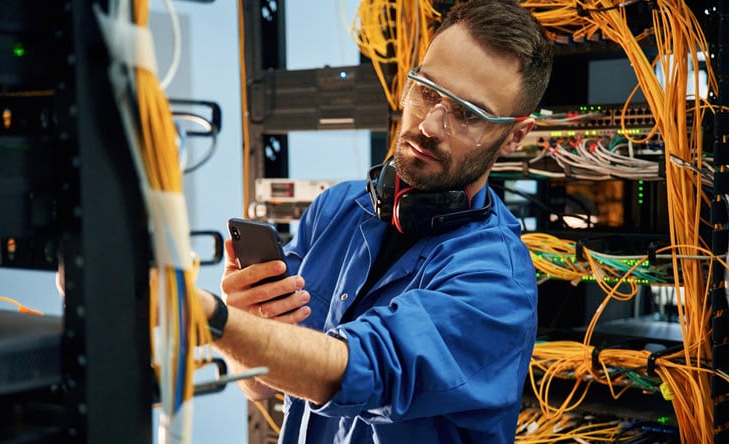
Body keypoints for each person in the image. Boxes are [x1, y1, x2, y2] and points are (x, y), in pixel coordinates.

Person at [201, 0, 553, 442]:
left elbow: (361, 369)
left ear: (515, 135)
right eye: (427, 90)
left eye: (466, 114)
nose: (430, 124)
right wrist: (244, 320)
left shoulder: (497, 282)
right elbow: (258, 383)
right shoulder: (337, 209)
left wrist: (209, 318)